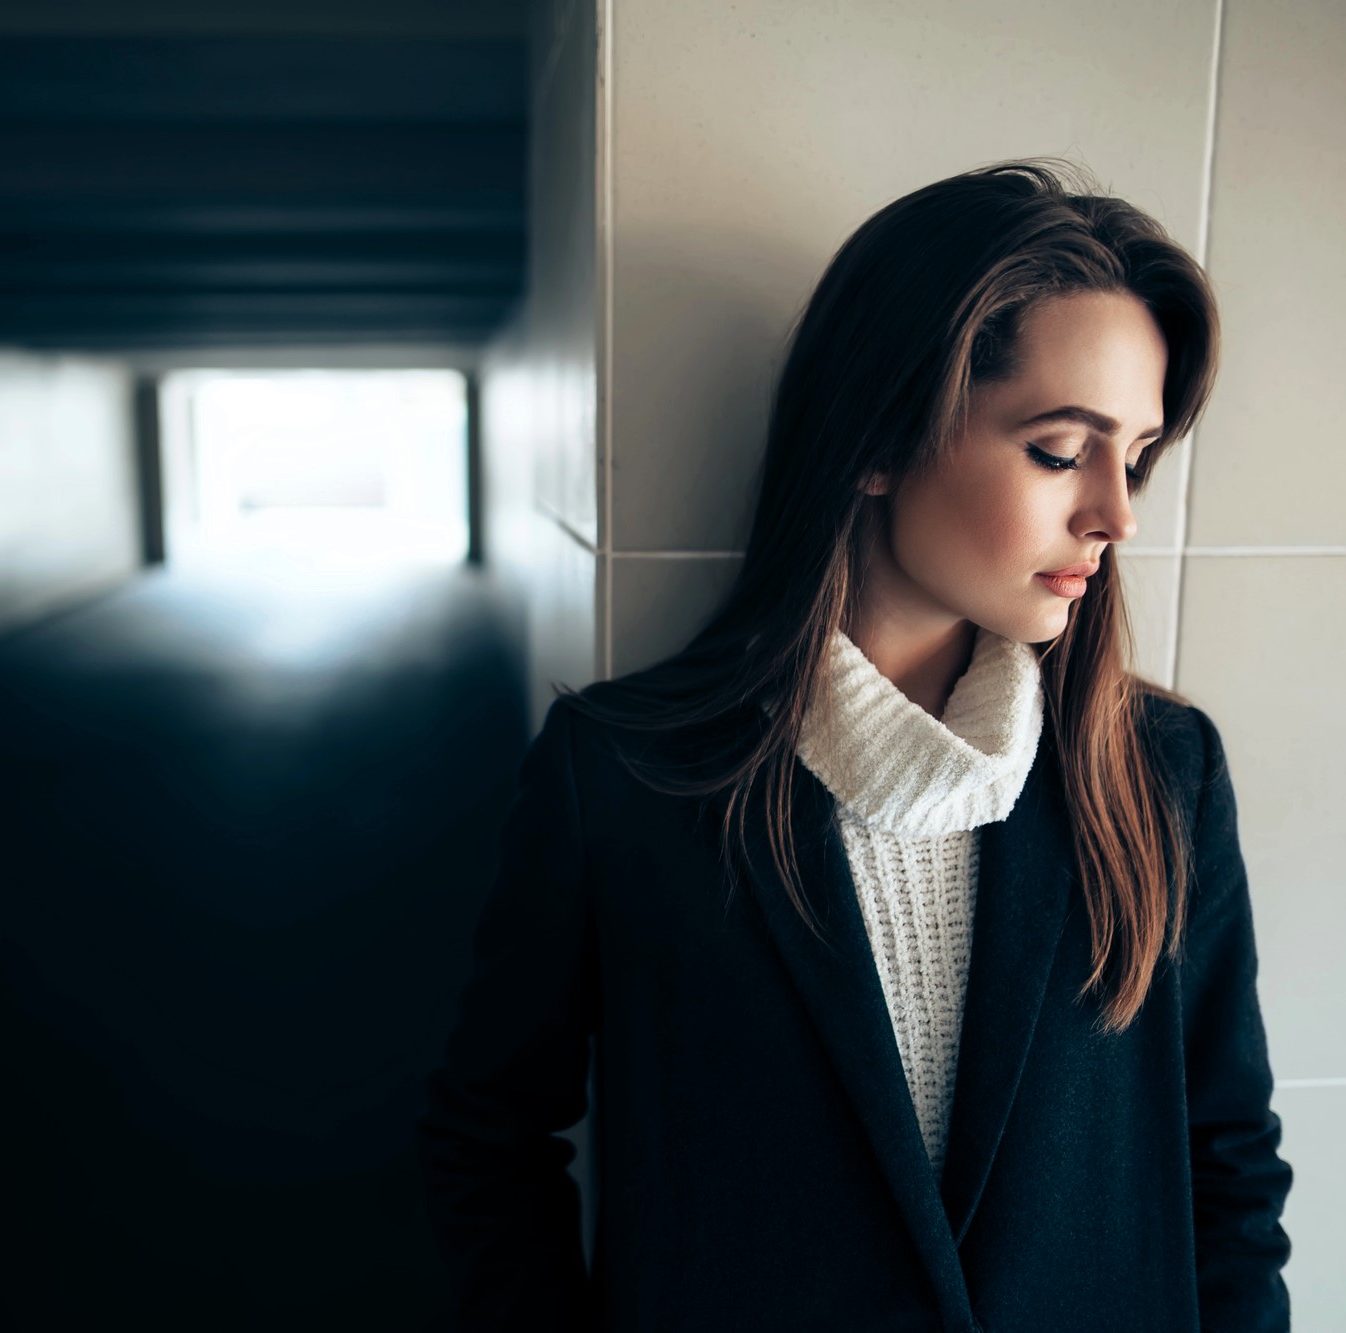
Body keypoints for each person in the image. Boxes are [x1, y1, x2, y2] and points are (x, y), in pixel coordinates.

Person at [416, 159, 1293, 1333]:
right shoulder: (619, 778)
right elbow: (489, 1143)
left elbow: (1227, 1164)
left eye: (1130, 455)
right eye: (1055, 449)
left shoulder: (1158, 773)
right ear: (877, 436)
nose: (1115, 514)